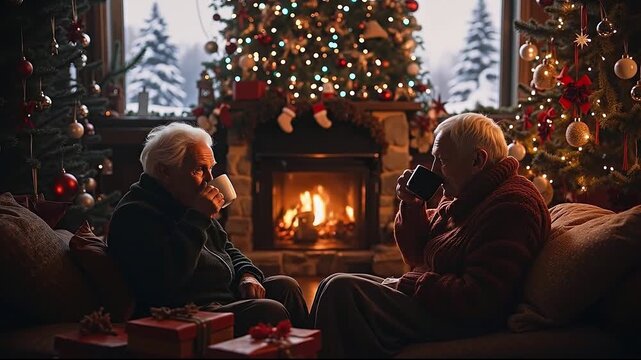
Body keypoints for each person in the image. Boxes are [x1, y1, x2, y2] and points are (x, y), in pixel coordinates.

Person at [310, 113, 551, 358]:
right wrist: (413, 205)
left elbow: (480, 300)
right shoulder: (465, 192)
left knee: (340, 290)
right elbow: (417, 254)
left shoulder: (511, 207)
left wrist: (410, 283)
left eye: (442, 161)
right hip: (435, 298)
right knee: (330, 283)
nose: (434, 171)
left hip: (460, 318)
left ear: (477, 160)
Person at [107, 122, 308, 336]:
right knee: (268, 310)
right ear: (164, 171)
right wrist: (199, 217)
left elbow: (227, 250)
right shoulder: (135, 215)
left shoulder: (186, 201)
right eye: (199, 170)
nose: (210, 180)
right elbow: (165, 282)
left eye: (210, 168)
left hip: (222, 299)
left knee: (287, 287)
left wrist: (247, 275)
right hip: (186, 314)